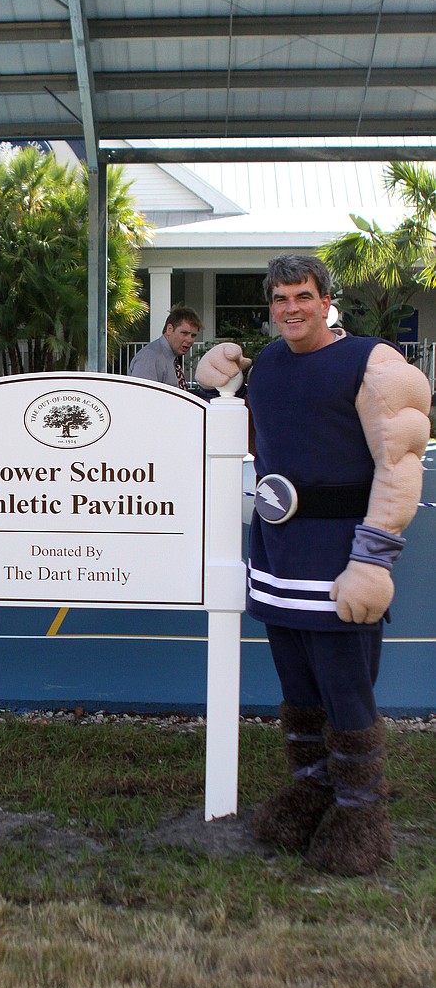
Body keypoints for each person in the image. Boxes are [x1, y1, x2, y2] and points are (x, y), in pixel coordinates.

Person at [197, 255, 430, 875]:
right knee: (297, 690)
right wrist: (215, 384)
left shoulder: (374, 364)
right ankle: (311, 791)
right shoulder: (268, 365)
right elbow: (255, 437)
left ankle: (361, 813)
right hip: (278, 555)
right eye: (279, 299)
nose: (290, 308)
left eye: (302, 296)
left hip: (341, 558)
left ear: (327, 300)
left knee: (346, 694)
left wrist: (374, 558)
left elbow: (402, 463)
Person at [128, 307, 202, 388]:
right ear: (169, 329)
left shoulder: (170, 356)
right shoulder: (150, 358)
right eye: (184, 333)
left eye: (193, 335)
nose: (189, 340)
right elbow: (143, 396)